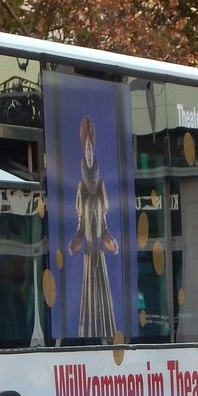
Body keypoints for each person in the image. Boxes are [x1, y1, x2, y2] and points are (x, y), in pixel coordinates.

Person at [68, 115, 118, 338]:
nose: (89, 151)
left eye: (91, 146)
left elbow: (105, 228)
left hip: (100, 255)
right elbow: (80, 230)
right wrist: (73, 245)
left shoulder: (100, 185)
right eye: (86, 147)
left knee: (104, 301)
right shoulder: (80, 187)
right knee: (88, 299)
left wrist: (112, 243)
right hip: (89, 255)